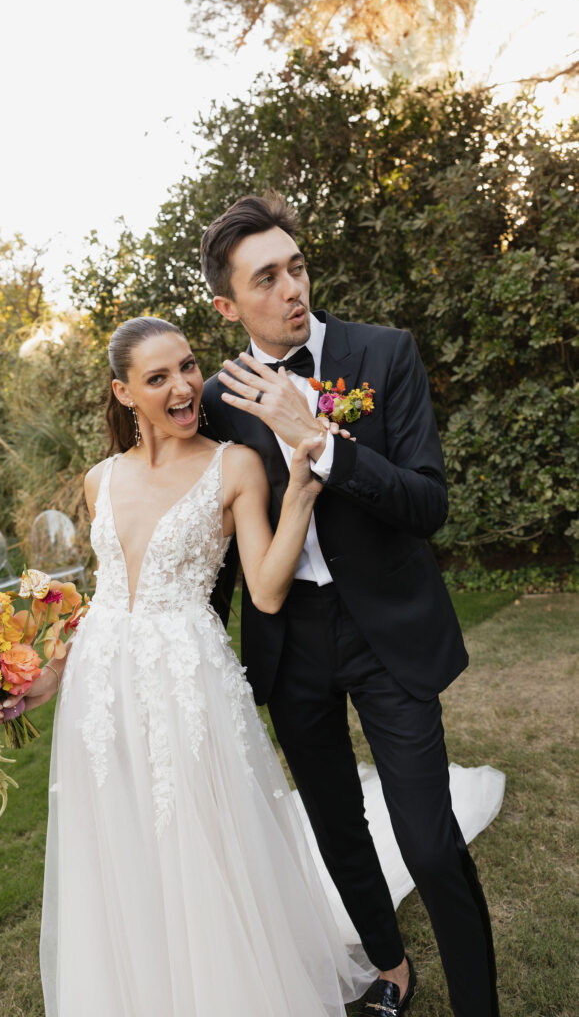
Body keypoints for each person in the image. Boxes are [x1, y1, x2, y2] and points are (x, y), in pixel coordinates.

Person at [0, 315, 379, 1017]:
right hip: (100, 689)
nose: (183, 387)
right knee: (117, 839)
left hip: (186, 680)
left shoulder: (233, 464)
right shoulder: (98, 479)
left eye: (188, 367)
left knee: (198, 836)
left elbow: (263, 588)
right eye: (158, 378)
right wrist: (48, 677)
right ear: (123, 393)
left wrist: (300, 488)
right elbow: (109, 593)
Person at [200, 192, 501, 1017]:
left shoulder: (382, 354)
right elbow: (215, 541)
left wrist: (323, 442)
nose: (293, 288)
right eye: (267, 278)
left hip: (387, 632)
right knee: (336, 826)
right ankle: (390, 971)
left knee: (430, 842)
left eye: (296, 266)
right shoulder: (219, 403)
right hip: (287, 638)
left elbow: (426, 504)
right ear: (229, 305)